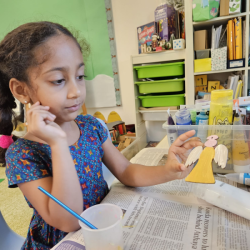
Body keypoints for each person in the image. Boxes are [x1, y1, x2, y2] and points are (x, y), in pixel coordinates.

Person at [0, 21, 202, 250]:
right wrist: (57, 144)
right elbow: (68, 220)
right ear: (21, 90)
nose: (76, 91)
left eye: (80, 76)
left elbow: (126, 171)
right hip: (61, 242)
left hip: (105, 230)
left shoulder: (90, 127)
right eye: (58, 80)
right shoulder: (21, 155)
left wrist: (168, 170)